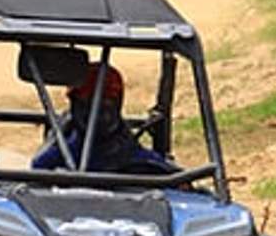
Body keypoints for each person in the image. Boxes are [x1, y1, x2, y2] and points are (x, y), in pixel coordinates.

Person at [31, 65, 176, 175]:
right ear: (73, 104)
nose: (93, 113)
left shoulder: (143, 162)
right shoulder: (56, 156)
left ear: (116, 104)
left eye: (103, 103)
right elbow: (37, 171)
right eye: (83, 103)